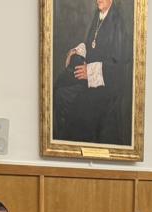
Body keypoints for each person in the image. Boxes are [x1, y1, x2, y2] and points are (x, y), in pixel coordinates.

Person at [53, 0, 133, 146]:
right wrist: (77, 51)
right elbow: (92, 43)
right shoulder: (99, 15)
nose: (97, 0)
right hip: (92, 82)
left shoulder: (118, 22)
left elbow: (119, 63)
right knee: (59, 88)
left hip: (108, 88)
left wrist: (89, 72)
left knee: (70, 103)